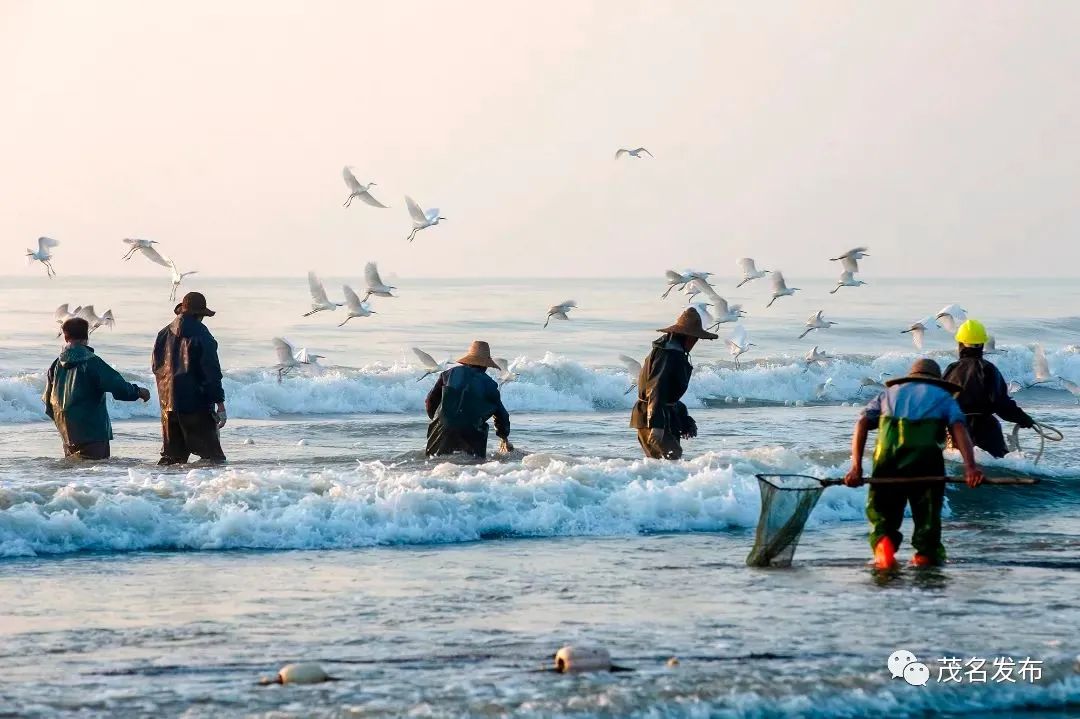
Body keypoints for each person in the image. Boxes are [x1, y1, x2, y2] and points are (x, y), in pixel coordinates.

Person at [844, 358, 985, 569]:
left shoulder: (888, 394)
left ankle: (884, 549)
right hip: (926, 462)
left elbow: (863, 422)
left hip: (887, 462)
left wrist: (856, 467)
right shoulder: (944, 397)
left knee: (883, 514)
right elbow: (958, 428)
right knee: (927, 517)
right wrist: (970, 467)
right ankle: (924, 557)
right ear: (936, 380)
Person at [42, 317, 151, 459]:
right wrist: (138, 392)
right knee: (96, 473)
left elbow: (47, 400)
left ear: (65, 336)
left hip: (67, 433)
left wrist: (62, 423)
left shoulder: (56, 364)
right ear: (86, 336)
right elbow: (118, 386)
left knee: (75, 477)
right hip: (92, 431)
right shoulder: (92, 361)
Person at [629, 308, 718, 460]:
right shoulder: (668, 354)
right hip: (651, 417)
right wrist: (656, 425)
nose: (696, 342)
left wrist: (683, 418)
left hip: (660, 414)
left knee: (668, 462)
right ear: (687, 336)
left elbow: (669, 396)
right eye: (695, 338)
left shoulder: (670, 350)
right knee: (670, 459)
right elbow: (656, 388)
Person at [152, 291, 227, 465]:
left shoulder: (163, 334)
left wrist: (166, 399)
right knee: (214, 460)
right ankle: (205, 491)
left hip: (168, 407)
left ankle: (164, 492)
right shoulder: (202, 335)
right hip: (196, 405)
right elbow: (211, 372)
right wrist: (220, 403)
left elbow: (156, 368)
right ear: (199, 314)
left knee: (171, 461)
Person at [942, 319, 1035, 458]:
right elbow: (1002, 405)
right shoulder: (988, 369)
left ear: (960, 343)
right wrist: (1023, 418)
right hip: (985, 432)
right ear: (982, 345)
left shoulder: (951, 369)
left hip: (955, 432)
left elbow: (940, 405)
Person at [425, 340, 512, 459]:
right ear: (486, 365)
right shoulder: (490, 385)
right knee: (471, 468)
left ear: (468, 361)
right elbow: (502, 416)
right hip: (471, 433)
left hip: (441, 429)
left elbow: (430, 401)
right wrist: (504, 437)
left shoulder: (448, 374)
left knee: (434, 462)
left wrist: (440, 421)